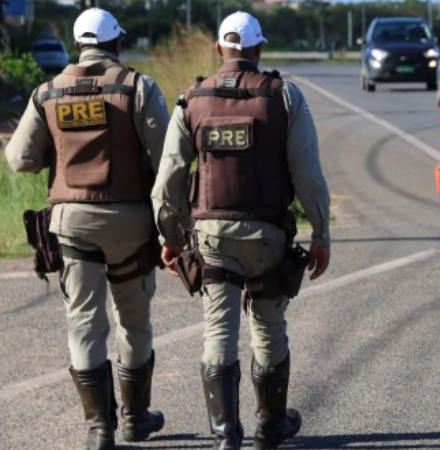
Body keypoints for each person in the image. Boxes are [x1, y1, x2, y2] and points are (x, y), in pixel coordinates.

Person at [151, 11, 331, 450]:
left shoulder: (190, 99)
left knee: (219, 330)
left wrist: (169, 235)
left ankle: (225, 434)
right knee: (268, 328)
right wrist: (321, 232)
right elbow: (307, 173)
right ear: (259, 50)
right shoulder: (284, 96)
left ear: (219, 51)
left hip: (211, 238)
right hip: (268, 236)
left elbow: (170, 177)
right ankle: (271, 426)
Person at [4, 7, 169, 450]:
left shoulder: (46, 93)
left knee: (84, 324)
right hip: (132, 224)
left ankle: (100, 430)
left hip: (72, 225)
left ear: (78, 45)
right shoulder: (137, 87)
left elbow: (19, 159)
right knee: (133, 322)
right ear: (115, 43)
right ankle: (135, 419)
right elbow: (168, 155)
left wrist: (55, 157)